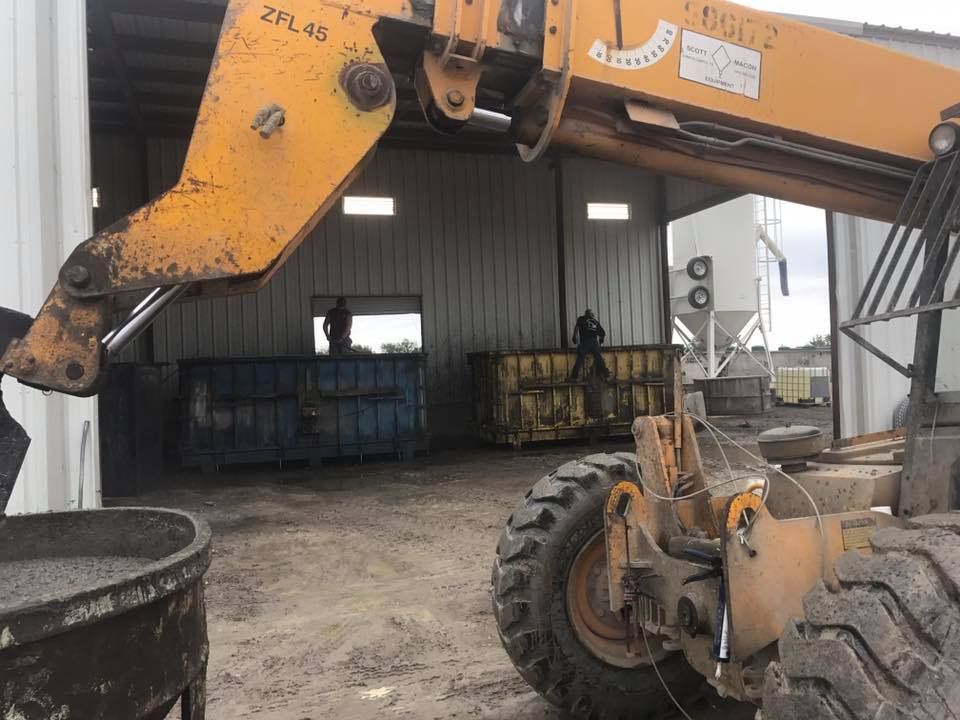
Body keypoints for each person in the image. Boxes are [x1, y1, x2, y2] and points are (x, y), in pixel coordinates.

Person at [570, 308, 610, 380]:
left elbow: (577, 327)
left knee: (580, 358)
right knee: (599, 358)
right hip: (594, 343)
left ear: (585, 314)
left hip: (585, 342)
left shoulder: (581, 319)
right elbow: (602, 333)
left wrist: (574, 336)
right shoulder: (595, 322)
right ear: (592, 315)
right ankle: (606, 375)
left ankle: (574, 376)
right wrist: (601, 340)